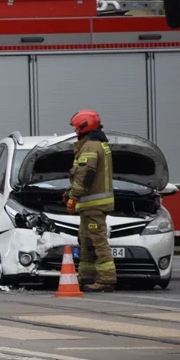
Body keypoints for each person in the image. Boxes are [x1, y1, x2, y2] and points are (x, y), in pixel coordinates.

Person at [65, 110, 116, 293]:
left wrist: (74, 196)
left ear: (84, 127)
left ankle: (106, 279)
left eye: (77, 128)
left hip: (93, 205)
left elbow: (85, 175)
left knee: (98, 242)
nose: (76, 132)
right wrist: (70, 193)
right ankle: (86, 277)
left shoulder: (90, 147)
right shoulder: (99, 145)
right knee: (86, 241)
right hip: (90, 206)